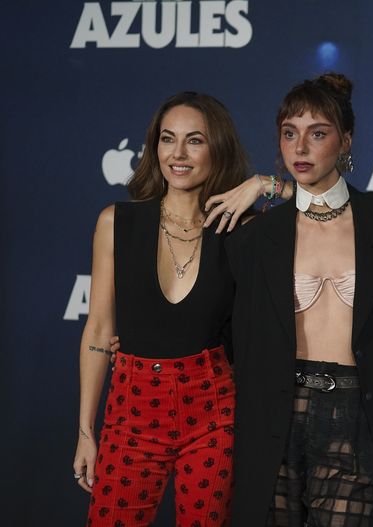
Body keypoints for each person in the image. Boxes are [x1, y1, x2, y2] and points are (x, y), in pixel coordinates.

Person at [72, 91, 284, 526]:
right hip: (131, 412)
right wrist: (85, 432)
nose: (179, 154)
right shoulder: (116, 223)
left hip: (214, 411)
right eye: (168, 139)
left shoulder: (243, 229)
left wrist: (267, 185)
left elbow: (336, 210)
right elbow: (97, 331)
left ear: (218, 147)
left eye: (195, 140)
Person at [220, 73, 373, 526]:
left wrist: (271, 186)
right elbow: (224, 326)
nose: (301, 148)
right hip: (275, 413)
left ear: (346, 141)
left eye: (318, 133)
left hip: (356, 416)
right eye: (290, 134)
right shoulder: (259, 236)